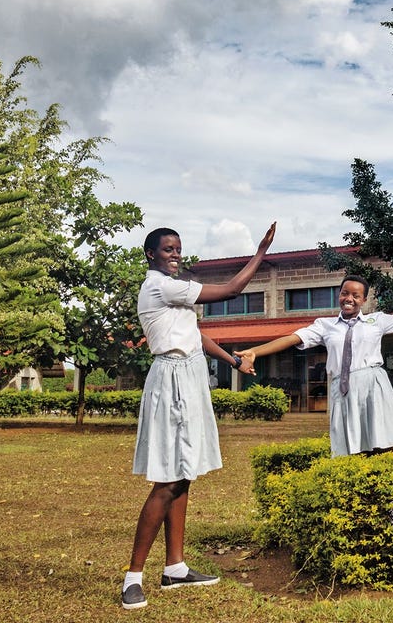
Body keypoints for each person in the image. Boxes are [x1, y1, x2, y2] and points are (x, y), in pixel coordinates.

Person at [122, 222, 276, 611]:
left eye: (178, 248)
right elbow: (231, 291)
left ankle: (175, 567)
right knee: (169, 480)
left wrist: (235, 360)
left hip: (190, 376)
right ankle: (132, 576)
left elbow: (196, 333)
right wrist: (260, 253)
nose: (175, 254)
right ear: (151, 255)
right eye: (167, 249)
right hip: (172, 378)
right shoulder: (160, 285)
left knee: (185, 472)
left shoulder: (176, 292)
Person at [235, 275, 393, 457]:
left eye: (355, 295)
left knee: (382, 443)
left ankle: (391, 507)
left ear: (363, 300)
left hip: (373, 384)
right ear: (339, 295)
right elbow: (292, 339)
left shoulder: (376, 320)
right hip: (342, 388)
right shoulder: (325, 325)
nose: (349, 298)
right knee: (347, 445)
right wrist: (256, 351)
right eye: (344, 293)